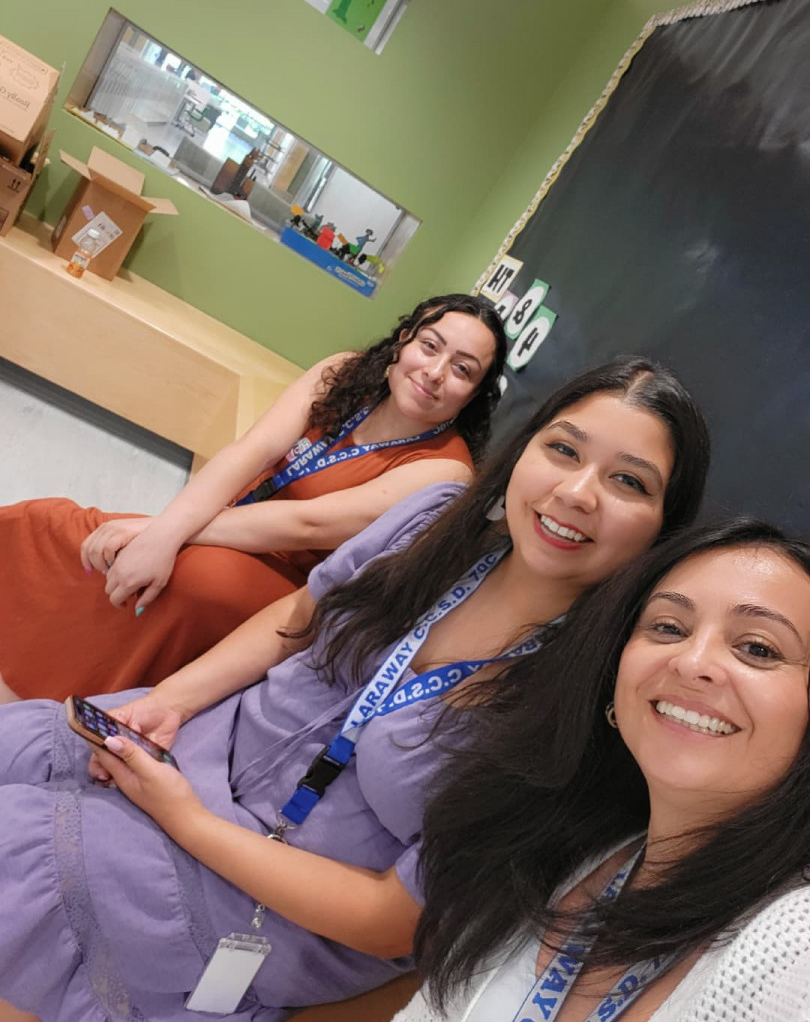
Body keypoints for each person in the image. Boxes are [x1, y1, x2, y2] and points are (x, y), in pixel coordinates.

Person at [0, 356, 710, 1021]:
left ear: (662, 532)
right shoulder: (434, 521)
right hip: (192, 749)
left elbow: (389, 921)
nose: (577, 493)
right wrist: (170, 701)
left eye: (629, 482)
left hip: (258, 900)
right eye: (563, 449)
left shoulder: (582, 708)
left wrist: (185, 820)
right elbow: (299, 616)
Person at [398, 518, 810, 1022]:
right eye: (669, 628)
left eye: (759, 648)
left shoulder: (795, 943)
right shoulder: (558, 851)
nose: (691, 662)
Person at [0, 294, 506, 703]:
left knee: (191, 578)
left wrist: (165, 532)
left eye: (462, 369)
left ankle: (66, 701)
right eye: (429, 346)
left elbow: (307, 525)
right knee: (52, 522)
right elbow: (253, 449)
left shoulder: (446, 470)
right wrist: (165, 530)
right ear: (403, 340)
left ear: (474, 394)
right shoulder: (346, 373)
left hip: (291, 586)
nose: (435, 371)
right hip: (229, 524)